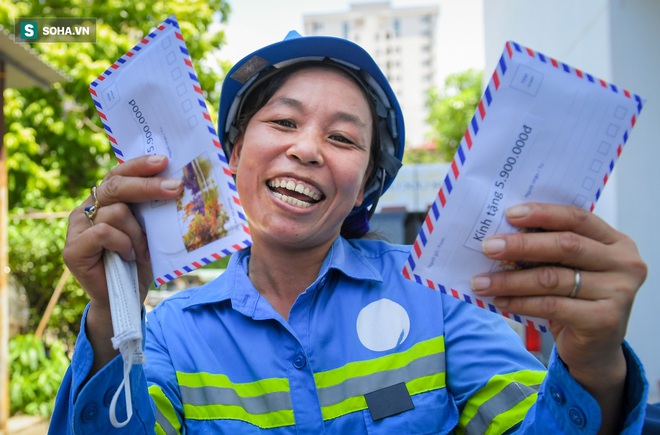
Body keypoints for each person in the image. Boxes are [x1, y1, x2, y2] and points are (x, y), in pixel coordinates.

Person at [50, 30, 649, 434]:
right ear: (232, 154)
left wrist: (592, 361)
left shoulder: (434, 299)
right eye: (282, 121)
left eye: (342, 138)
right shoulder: (172, 337)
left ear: (364, 186)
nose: (306, 149)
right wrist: (112, 312)